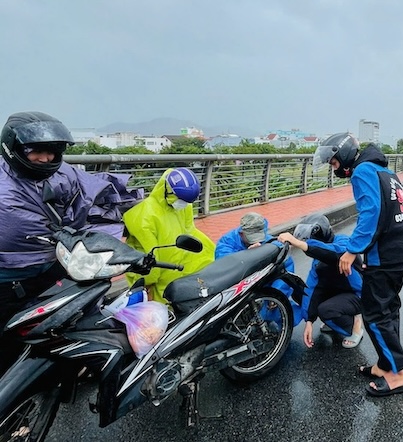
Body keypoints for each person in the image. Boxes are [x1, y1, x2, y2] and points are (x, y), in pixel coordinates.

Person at [0, 111, 142, 372]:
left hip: (54, 265)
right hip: (8, 278)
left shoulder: (62, 174)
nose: (45, 159)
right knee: (8, 338)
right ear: (13, 148)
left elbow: (90, 195)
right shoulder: (5, 187)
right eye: (36, 151)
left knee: (55, 324)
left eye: (52, 151)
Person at [313, 132, 403, 397]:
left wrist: (352, 250)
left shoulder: (362, 172)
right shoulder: (383, 170)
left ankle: (397, 374)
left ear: (345, 154)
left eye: (334, 162)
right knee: (388, 309)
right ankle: (386, 365)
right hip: (402, 249)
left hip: (387, 254)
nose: (333, 167)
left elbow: (371, 214)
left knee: (375, 314)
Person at [123, 167, 216, 303]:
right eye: (181, 199)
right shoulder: (144, 216)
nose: (183, 204)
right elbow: (148, 256)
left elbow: (189, 231)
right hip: (162, 276)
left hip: (181, 270)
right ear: (167, 190)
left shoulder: (183, 206)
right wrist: (146, 283)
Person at [277, 213, 363, 349]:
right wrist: (309, 320)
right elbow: (311, 288)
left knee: (326, 311)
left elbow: (334, 253)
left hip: (357, 295)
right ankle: (334, 316)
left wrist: (301, 244)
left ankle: (354, 326)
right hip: (336, 293)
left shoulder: (344, 243)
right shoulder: (318, 261)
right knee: (299, 291)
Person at [215, 212, 302, 326]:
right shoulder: (227, 242)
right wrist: (248, 255)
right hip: (238, 293)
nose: (257, 242)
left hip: (263, 292)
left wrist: (278, 292)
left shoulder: (271, 242)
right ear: (241, 234)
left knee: (289, 314)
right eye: (252, 238)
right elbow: (224, 265)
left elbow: (286, 267)